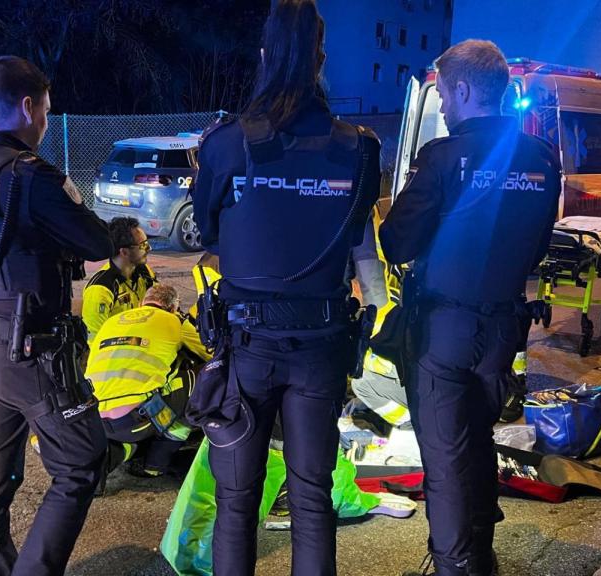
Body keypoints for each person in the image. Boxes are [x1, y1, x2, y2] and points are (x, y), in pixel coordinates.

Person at [191, 0, 381, 573]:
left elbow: (209, 232)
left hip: (246, 348)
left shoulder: (226, 144)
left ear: (265, 55)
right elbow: (358, 236)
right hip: (321, 346)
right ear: (320, 58)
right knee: (311, 499)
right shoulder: (359, 148)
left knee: (237, 502)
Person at [379, 40, 562, 576]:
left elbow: (397, 243)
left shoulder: (442, 157)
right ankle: (479, 552)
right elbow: (537, 247)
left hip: (444, 330)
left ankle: (457, 565)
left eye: (443, 95)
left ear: (461, 88)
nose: (442, 106)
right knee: (478, 440)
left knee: (444, 460)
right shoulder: (540, 157)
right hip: (503, 329)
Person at [0, 56, 113, 576]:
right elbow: (98, 243)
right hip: (26, 350)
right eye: (47, 112)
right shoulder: (29, 176)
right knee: (81, 462)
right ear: (28, 107)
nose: (46, 123)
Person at [86, 284, 210, 477]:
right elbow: (209, 353)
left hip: (94, 418)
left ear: (142, 303)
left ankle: (122, 452)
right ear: (173, 308)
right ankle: (156, 463)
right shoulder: (174, 320)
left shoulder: (111, 321)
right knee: (206, 374)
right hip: (138, 419)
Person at [81, 216, 156, 344]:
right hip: (115, 351)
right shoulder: (101, 289)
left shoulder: (144, 272)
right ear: (124, 252)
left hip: (141, 341)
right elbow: (96, 341)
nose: (149, 249)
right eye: (143, 245)